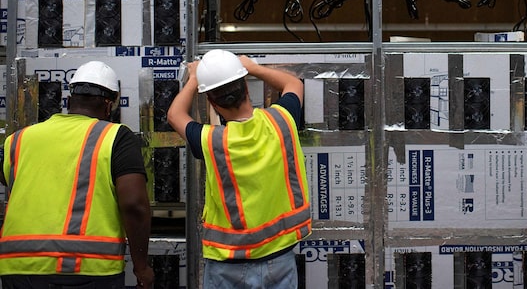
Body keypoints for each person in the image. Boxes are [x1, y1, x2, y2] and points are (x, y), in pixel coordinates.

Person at [0, 61, 154, 289]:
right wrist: (141, 266)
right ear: (109, 106)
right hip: (85, 268)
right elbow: (134, 204)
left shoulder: (18, 140)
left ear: (69, 101)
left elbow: (14, 181)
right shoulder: (115, 137)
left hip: (17, 266)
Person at [167, 49, 311, 289]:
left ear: (211, 101)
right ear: (246, 88)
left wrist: (194, 78)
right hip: (279, 258)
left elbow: (175, 114)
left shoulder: (211, 141)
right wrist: (251, 67)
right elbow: (292, 83)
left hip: (228, 263)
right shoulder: (282, 120)